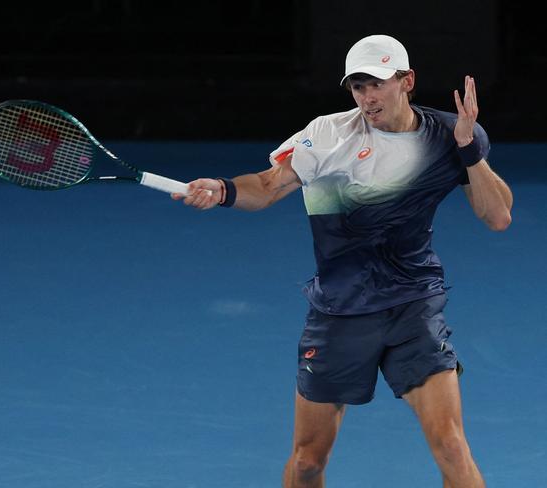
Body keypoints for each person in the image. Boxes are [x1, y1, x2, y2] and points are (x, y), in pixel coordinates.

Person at [172, 34, 512, 487]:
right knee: (309, 461)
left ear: (407, 81)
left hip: (413, 305)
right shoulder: (326, 135)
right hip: (340, 312)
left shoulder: (448, 135)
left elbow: (498, 215)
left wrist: (470, 150)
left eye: (377, 84)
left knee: (451, 446)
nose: (368, 98)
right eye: (358, 87)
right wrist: (223, 189)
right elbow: (268, 185)